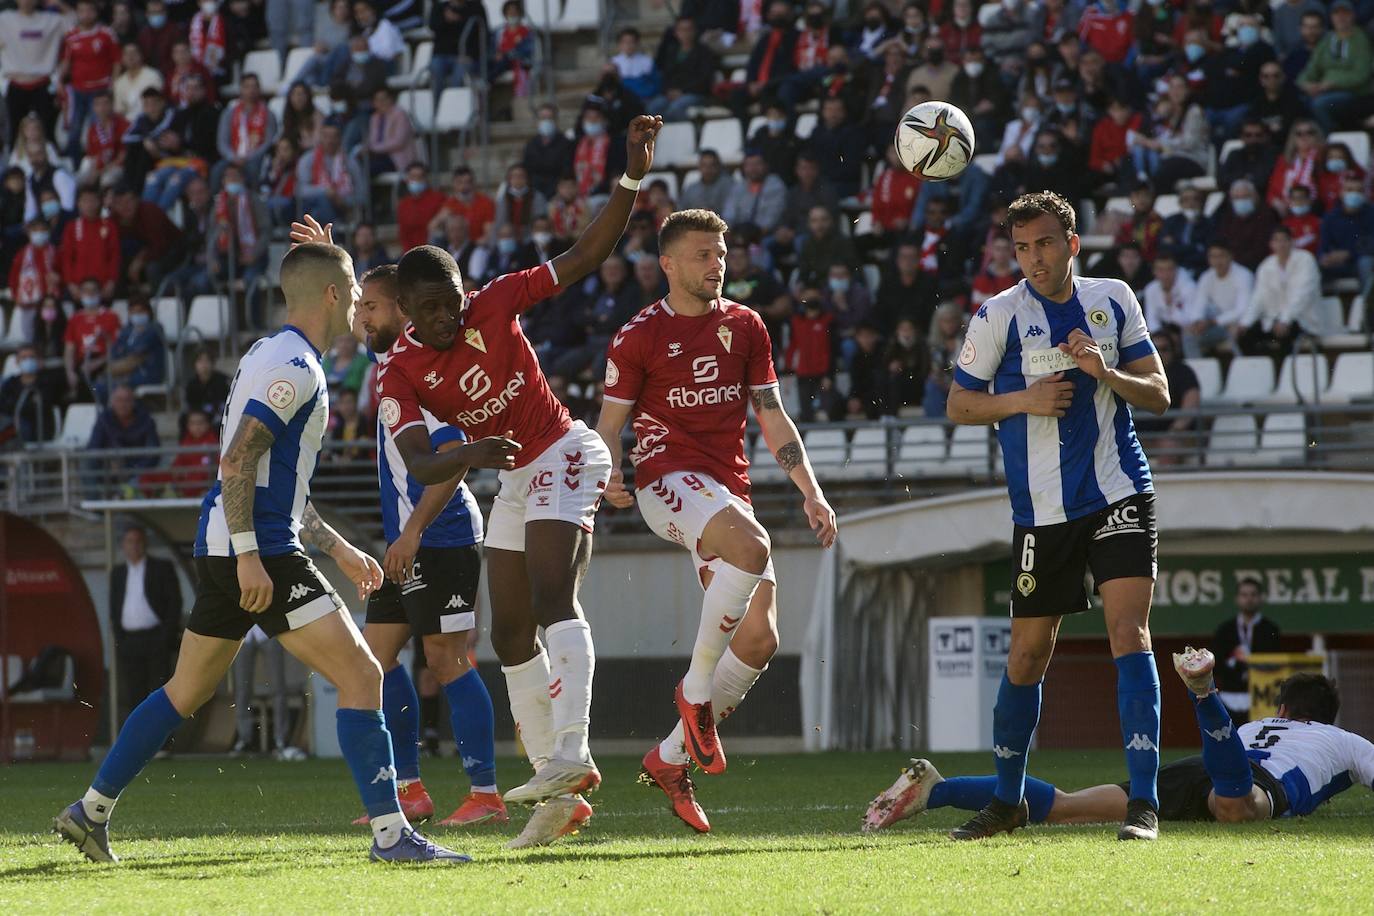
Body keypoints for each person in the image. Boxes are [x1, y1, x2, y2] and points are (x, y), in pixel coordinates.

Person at [54, 242, 472, 866]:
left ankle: (89, 811)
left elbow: (275, 483)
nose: (360, 303)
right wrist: (251, 555)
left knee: (184, 691)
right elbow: (236, 461)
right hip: (258, 550)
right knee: (362, 675)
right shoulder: (298, 367)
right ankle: (392, 836)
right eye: (354, 290)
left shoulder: (268, 352)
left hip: (230, 540)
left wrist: (339, 548)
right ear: (332, 295)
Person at [378, 114, 664, 847]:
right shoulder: (399, 370)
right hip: (508, 472)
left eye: (452, 300)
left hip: (565, 448)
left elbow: (583, 252)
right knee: (507, 634)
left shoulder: (497, 299)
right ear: (406, 312)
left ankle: (574, 752)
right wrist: (472, 456)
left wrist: (631, 176)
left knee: (548, 597)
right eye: (430, 309)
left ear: (461, 288)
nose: (447, 317)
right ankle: (554, 790)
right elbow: (419, 460)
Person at [595, 208, 836, 833]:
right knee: (752, 547)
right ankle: (695, 691)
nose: (716, 265)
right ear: (668, 265)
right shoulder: (639, 335)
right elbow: (610, 427)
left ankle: (670, 757)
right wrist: (607, 475)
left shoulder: (746, 326)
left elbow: (773, 416)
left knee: (760, 640)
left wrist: (811, 491)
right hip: (664, 480)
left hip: (725, 489)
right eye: (703, 255)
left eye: (721, 254)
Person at [946, 190, 1169, 842]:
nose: (1034, 257)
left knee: (1129, 634)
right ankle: (1008, 802)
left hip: (1119, 492)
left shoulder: (1114, 299)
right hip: (1040, 513)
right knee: (1026, 656)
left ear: (1072, 243)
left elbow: (1158, 393)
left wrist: (1107, 374)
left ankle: (1144, 806)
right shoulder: (998, 316)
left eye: (1045, 243)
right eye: (1022, 247)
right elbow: (959, 406)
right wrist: (1025, 400)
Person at [329, 260, 505, 829]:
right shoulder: (387, 362)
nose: (360, 317)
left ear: (400, 311)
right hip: (406, 541)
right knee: (373, 663)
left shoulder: (423, 372)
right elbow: (360, 305)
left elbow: (452, 464)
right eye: (358, 307)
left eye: (370, 308)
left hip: (441, 533)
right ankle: (409, 789)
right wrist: (338, 266)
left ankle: (486, 792)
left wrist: (412, 532)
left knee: (446, 659)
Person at [864, 670, 1372, 831]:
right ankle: (1203, 694)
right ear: (1323, 717)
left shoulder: (1261, 726)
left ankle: (940, 789)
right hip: (1248, 782)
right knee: (1236, 808)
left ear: (1282, 709)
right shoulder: (1344, 741)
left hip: (1202, 766)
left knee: (1064, 806)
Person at [109, 525, 183, 725]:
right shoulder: (118, 573)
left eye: (138, 541)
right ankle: (138, 742)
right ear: (123, 546)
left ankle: (163, 744)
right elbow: (114, 609)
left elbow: (174, 603)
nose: (134, 546)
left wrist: (166, 636)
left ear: (145, 544)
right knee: (135, 692)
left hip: (156, 638)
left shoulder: (161, 567)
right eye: (130, 542)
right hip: (130, 641)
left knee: (160, 691)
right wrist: (120, 639)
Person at [1239, 225, 1321, 359]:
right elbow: (1258, 297)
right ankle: (1262, 373)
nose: (1281, 244)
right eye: (1276, 240)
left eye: (1284, 240)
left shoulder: (1305, 260)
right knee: (1245, 336)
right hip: (1274, 320)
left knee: (1283, 334)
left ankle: (1281, 375)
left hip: (1301, 320)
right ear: (1271, 244)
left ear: (1292, 242)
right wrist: (1245, 322)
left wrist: (1285, 319)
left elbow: (1302, 295)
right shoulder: (1266, 265)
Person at [1211, 578, 1282, 723]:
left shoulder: (1270, 629)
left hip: (1260, 698)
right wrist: (1234, 659)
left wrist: (1252, 660)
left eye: (1253, 595)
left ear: (1261, 598)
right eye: (1244, 595)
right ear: (1237, 599)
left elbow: (1276, 663)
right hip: (1229, 696)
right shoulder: (1225, 630)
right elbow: (1216, 664)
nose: (1249, 599)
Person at [1296, 0, 1371, 133]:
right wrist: (1306, 84)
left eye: (1345, 13)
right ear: (1331, 17)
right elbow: (1312, 69)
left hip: (1354, 93)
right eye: (1336, 13)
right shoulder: (1327, 40)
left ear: (1352, 15)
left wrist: (1332, 84)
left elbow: (1362, 74)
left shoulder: (1361, 39)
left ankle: (1332, 137)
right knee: (1298, 100)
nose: (1341, 17)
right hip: (1325, 90)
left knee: (1320, 104)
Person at [1185, 242, 1255, 358]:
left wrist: (1213, 322)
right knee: (1189, 334)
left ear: (1230, 256)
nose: (1218, 261)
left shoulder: (1243, 275)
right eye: (1213, 257)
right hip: (1217, 325)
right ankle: (1197, 371)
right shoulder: (1206, 277)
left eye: (1221, 256)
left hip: (1238, 324)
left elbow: (1242, 309)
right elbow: (1199, 304)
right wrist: (1197, 321)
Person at [0, 343, 60, 444]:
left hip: (37, 429)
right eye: (23, 358)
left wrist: (14, 405)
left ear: (39, 360)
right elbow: (2, 405)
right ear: (17, 361)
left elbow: (39, 407)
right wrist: (25, 404)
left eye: (31, 357)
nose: (27, 361)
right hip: (11, 425)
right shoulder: (10, 383)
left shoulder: (46, 382)